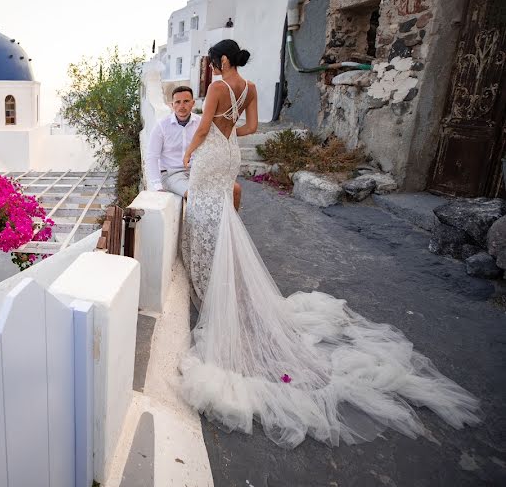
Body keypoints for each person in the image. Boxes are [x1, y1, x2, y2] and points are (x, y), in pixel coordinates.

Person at [178, 39, 480, 448]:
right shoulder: (249, 88)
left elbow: (200, 127)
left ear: (223, 60)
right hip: (230, 153)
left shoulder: (217, 87)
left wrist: (191, 151)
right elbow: (249, 128)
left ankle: (207, 282)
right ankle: (226, 284)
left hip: (211, 154)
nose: (212, 68)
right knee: (224, 218)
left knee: (202, 214)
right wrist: (224, 133)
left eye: (214, 61)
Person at [147, 86, 241, 208]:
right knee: (195, 195)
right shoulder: (161, 126)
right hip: (172, 174)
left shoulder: (201, 124)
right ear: (172, 105)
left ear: (193, 103)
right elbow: (152, 157)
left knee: (235, 189)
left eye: (186, 101)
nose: (182, 106)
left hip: (198, 170)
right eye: (178, 102)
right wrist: (157, 187)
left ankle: (227, 226)